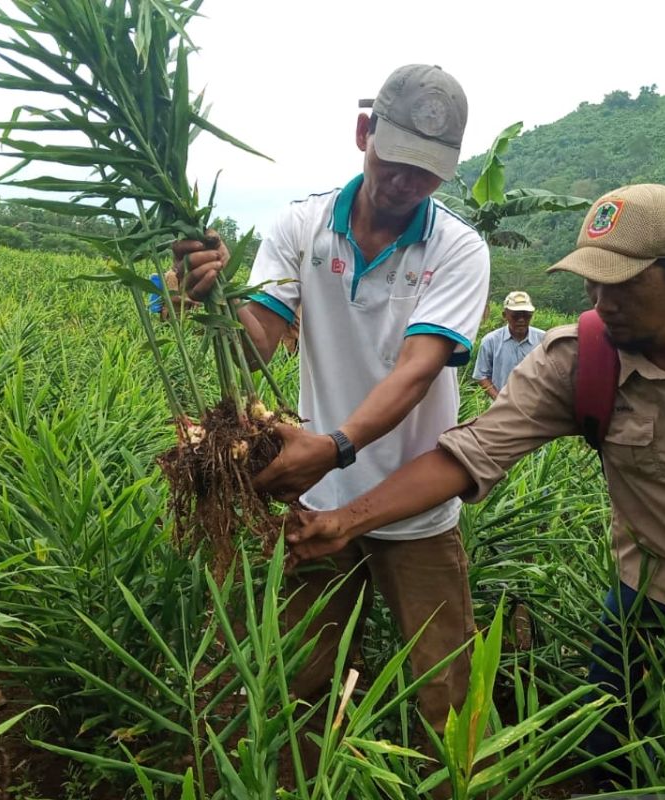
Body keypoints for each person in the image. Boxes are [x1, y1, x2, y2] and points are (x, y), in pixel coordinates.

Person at [287, 183, 665, 776]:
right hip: (653, 595)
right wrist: (345, 518)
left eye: (624, 284)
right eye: (593, 283)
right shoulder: (574, 362)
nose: (605, 301)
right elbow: (467, 454)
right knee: (612, 759)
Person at [175, 64, 490, 766]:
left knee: (446, 694)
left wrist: (337, 444)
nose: (407, 184)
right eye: (397, 160)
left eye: (428, 173)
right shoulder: (301, 224)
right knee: (292, 676)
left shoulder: (459, 250)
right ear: (363, 133)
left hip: (414, 508)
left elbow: (416, 369)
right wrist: (210, 297)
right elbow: (256, 338)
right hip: (315, 500)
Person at [472, 290, 545, 400]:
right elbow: (481, 375)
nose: (521, 320)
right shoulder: (490, 341)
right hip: (500, 408)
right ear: (504, 315)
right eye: (516, 316)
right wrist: (499, 400)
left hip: (535, 406)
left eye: (526, 315)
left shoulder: (543, 339)